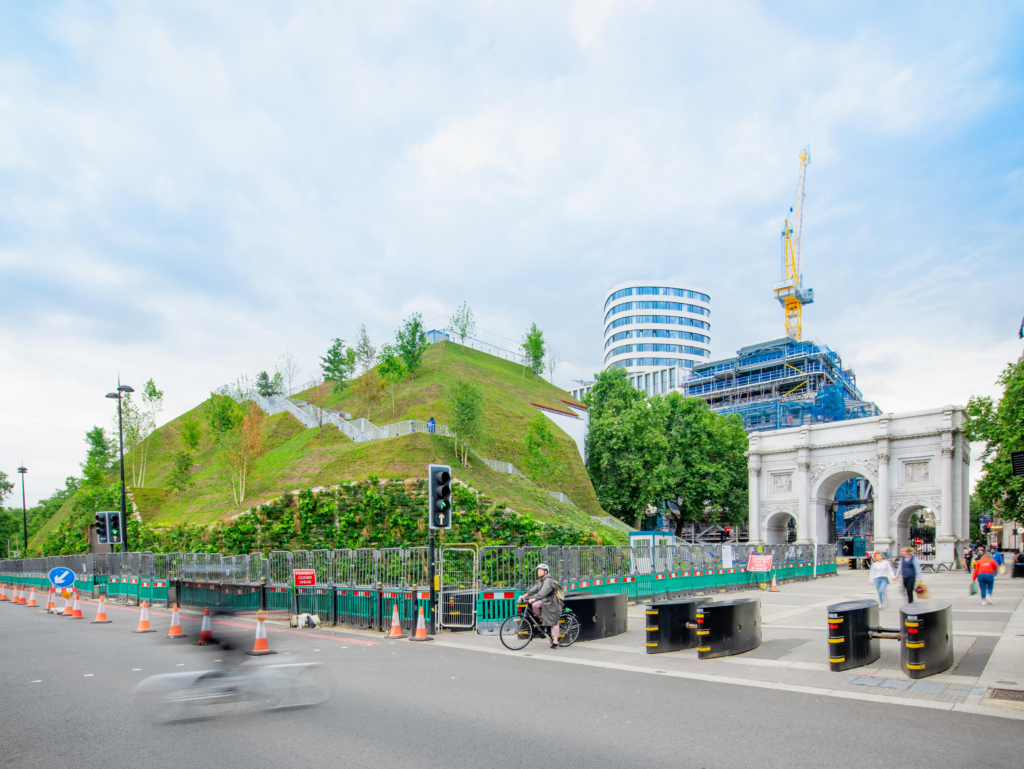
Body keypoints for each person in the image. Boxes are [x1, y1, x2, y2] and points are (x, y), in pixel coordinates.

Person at [521, 563, 562, 649]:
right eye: (538, 571)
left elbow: (544, 592)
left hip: (552, 603)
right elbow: (535, 589)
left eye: (540, 571)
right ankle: (543, 618)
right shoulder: (542, 580)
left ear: (545, 572)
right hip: (545, 601)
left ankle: (555, 641)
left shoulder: (548, 580)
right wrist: (525, 596)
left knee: (554, 621)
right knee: (535, 605)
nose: (538, 572)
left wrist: (534, 599)